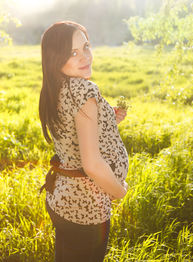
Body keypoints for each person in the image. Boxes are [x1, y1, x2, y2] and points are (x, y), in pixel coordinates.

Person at [39, 21, 129, 262]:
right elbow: (92, 165)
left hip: (61, 199)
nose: (85, 56)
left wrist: (108, 117)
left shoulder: (55, 86)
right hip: (85, 209)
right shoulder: (85, 91)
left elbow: (73, 133)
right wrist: (119, 191)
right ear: (56, 58)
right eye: (73, 52)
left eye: (86, 46)